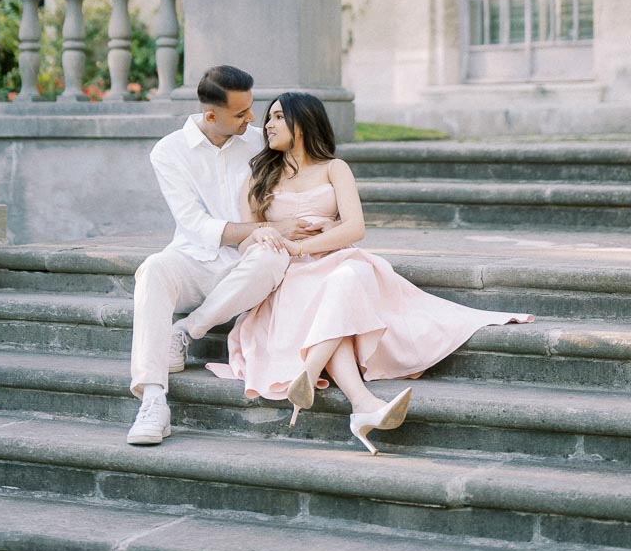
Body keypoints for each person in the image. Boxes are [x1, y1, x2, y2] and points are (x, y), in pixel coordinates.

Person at [208, 92, 533, 455]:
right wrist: (268, 234)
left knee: (349, 277)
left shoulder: (334, 168)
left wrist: (304, 247)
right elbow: (244, 243)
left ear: (303, 121)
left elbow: (354, 228)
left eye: (279, 117)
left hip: (332, 260)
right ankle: (361, 404)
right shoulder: (259, 175)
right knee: (334, 298)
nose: (268, 124)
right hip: (285, 272)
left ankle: (310, 372)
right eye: (269, 117)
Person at [127, 65, 326, 445]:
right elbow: (195, 224)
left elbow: (308, 170)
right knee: (152, 269)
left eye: (252, 108)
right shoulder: (168, 152)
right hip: (194, 260)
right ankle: (153, 400)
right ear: (211, 116)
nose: (253, 118)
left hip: (252, 263)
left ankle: (185, 332)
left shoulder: (259, 141)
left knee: (272, 255)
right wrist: (266, 229)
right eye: (241, 113)